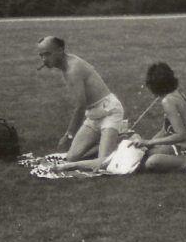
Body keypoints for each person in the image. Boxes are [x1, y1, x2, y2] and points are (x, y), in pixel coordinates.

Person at [38, 36, 126, 170]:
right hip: (93, 115)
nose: (44, 59)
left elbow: (80, 106)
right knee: (71, 156)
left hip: (110, 112)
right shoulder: (66, 64)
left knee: (103, 163)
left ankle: (119, 140)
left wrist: (69, 135)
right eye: (41, 55)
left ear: (60, 50)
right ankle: (111, 141)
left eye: (48, 54)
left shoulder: (73, 69)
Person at [133, 62, 186, 173]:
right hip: (185, 148)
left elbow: (181, 135)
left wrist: (149, 143)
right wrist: (147, 144)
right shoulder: (177, 94)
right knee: (146, 153)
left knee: (151, 162)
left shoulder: (168, 101)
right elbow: (165, 130)